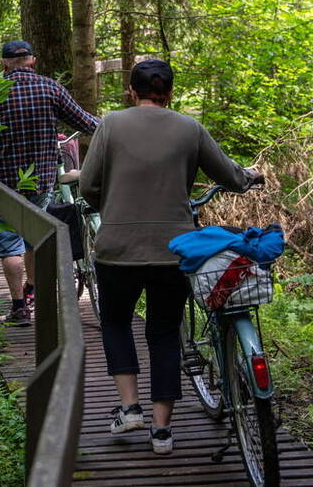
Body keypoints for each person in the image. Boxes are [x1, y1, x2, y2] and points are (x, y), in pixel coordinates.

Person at [79, 58, 255, 455]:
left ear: (131, 91)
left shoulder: (110, 124)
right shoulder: (190, 128)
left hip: (117, 249)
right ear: (170, 93)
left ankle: (129, 408)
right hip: (173, 249)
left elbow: (89, 185)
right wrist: (249, 177)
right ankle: (161, 431)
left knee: (116, 322)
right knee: (163, 332)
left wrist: (111, 207)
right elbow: (229, 176)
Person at [0, 40, 100, 326]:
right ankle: (33, 290)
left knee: (9, 243)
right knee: (34, 236)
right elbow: (84, 120)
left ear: (4, 62)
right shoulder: (50, 87)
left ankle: (19, 307)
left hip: (5, 181)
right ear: (32, 59)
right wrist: (114, 126)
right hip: (41, 178)